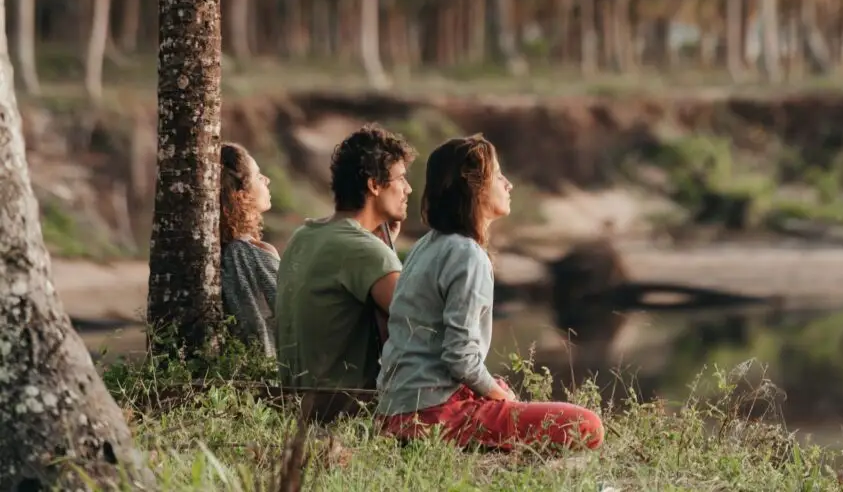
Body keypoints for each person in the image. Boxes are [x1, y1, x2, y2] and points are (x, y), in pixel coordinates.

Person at [376, 135, 605, 452]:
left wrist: (491, 388)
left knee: (498, 386)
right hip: (435, 414)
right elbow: (459, 357)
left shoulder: (426, 245)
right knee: (586, 425)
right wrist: (499, 396)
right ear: (475, 187)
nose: (508, 184)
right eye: (498, 175)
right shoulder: (467, 255)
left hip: (397, 410)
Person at [275, 123, 416, 421]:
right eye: (400, 179)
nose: (408, 189)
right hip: (344, 415)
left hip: (296, 408)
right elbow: (422, 321)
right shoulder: (363, 250)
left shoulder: (304, 235)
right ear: (374, 185)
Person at [219, 142, 279, 359]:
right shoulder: (253, 251)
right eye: (258, 176)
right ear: (240, 193)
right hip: (268, 369)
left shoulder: (221, 249)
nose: (266, 180)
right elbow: (292, 311)